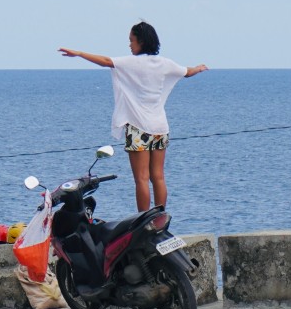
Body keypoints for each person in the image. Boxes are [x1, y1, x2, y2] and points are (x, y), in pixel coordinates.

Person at [59, 22, 207, 213]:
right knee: (158, 177)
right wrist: (198, 68)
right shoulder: (164, 63)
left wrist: (79, 53)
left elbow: (105, 61)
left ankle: (143, 220)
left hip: (138, 128)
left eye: (131, 40)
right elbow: (187, 72)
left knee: (141, 179)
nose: (129, 45)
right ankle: (160, 217)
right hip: (160, 127)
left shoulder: (131, 62)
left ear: (141, 41)